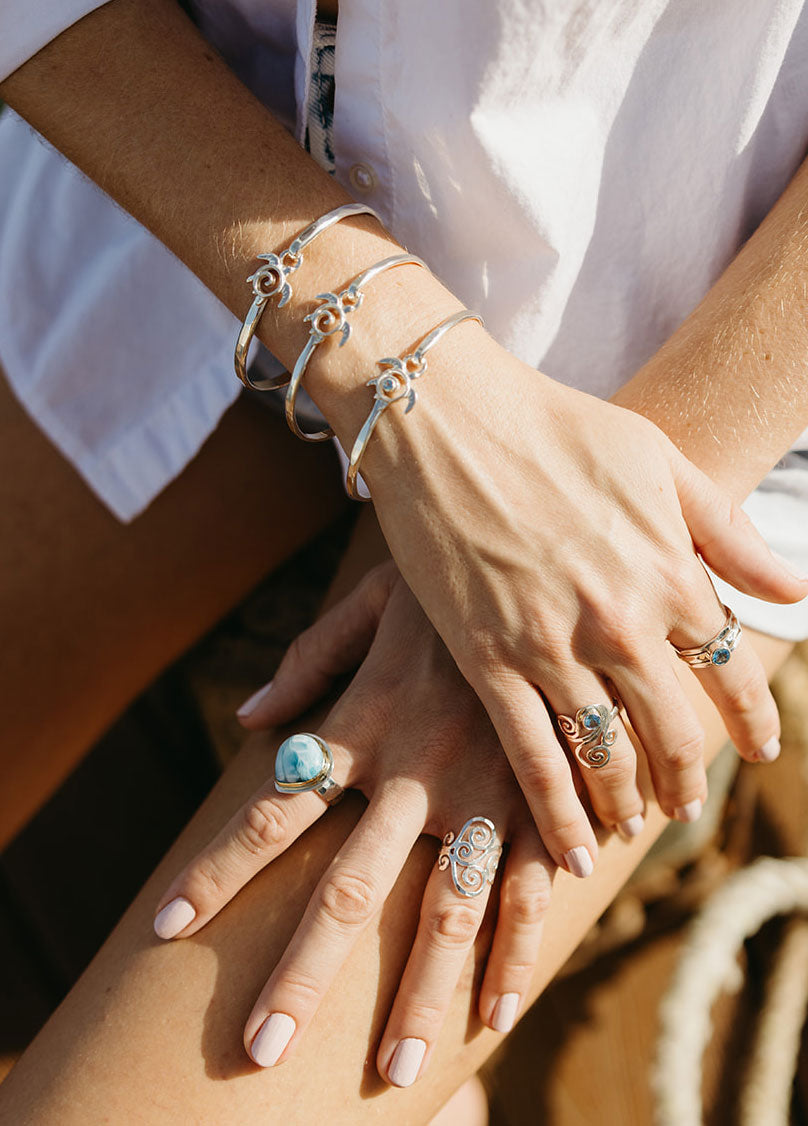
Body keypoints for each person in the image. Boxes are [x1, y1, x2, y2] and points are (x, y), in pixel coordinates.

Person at [1, 0, 807, 1119]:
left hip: (702, 369)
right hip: (180, 168)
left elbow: (607, 552)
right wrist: (405, 374)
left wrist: (603, 563)